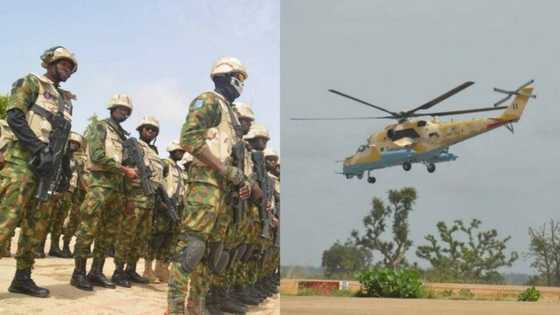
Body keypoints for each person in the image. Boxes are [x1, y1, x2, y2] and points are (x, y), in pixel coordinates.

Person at [167, 57, 261, 315]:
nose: (241, 84)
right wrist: (225, 170)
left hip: (226, 192)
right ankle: (174, 307)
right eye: (239, 78)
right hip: (205, 185)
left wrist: (242, 182)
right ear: (226, 76)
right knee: (192, 248)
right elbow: (189, 138)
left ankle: (196, 304)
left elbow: (233, 157)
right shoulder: (208, 101)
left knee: (213, 253)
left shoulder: (231, 114)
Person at [0, 46, 77, 298]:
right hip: (22, 164)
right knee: (7, 219)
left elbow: (62, 139)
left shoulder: (66, 101)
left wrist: (64, 171)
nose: (66, 69)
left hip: (48, 171)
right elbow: (14, 116)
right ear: (49, 63)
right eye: (62, 64)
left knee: (36, 227)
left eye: (70, 67)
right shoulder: (31, 82)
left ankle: (22, 278)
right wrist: (36, 148)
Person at [71, 94, 137, 291]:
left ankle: (96, 271)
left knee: (107, 234)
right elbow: (97, 155)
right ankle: (79, 273)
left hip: (117, 190)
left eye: (127, 111)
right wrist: (124, 170)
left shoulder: (123, 137)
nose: (123, 112)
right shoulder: (100, 127)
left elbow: (127, 168)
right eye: (120, 109)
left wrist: (127, 196)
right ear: (112, 108)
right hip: (99, 186)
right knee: (88, 229)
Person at [112, 116, 165, 287]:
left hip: (149, 200)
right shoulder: (132, 145)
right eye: (147, 128)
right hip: (134, 198)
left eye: (153, 129)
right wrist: (126, 198)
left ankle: (131, 269)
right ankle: (118, 271)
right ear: (140, 130)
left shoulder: (155, 152)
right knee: (127, 236)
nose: (150, 131)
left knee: (140, 238)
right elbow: (124, 172)